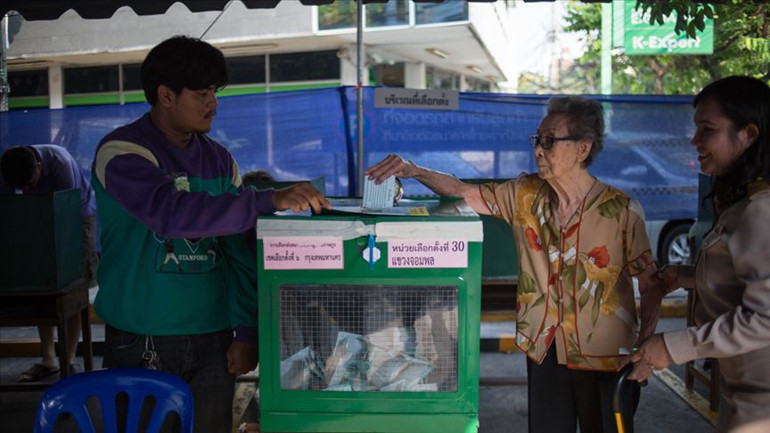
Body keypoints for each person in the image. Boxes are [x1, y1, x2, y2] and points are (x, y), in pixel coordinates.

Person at [367, 96, 664, 433]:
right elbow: (464, 192)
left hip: (610, 355)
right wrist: (415, 170)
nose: (538, 149)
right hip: (545, 350)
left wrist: (645, 350)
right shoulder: (524, 194)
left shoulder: (622, 210)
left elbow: (652, 284)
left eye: (549, 141)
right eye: (537, 139)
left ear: (583, 149)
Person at [91, 35, 330, 433]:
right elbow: (170, 213)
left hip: (214, 341)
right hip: (142, 338)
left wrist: (248, 331)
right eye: (202, 93)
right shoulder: (121, 152)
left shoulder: (219, 159)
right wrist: (265, 199)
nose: (213, 103)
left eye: (215, 93)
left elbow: (237, 252)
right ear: (166, 95)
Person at [629, 76, 770, 433]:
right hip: (743, 392)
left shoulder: (761, 210)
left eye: (707, 130)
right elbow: (744, 280)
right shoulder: (743, 201)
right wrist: (688, 275)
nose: (695, 141)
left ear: (748, 135)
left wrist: (672, 346)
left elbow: (764, 318)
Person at [0, 144, 98, 382]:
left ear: (39, 167)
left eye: (30, 184)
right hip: (38, 218)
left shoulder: (60, 163)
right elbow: (8, 211)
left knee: (72, 286)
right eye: (20, 187)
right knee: (43, 287)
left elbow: (68, 213)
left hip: (76, 218)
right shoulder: (9, 170)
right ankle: (49, 358)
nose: (25, 189)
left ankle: (71, 358)